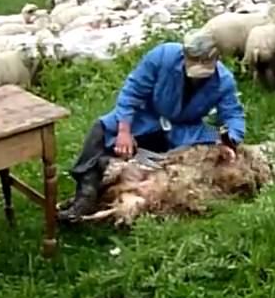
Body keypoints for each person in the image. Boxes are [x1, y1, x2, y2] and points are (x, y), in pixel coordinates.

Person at [58, 29, 246, 223]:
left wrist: (230, 140)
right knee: (102, 128)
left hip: (184, 128)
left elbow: (233, 114)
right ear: (184, 56)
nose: (199, 75)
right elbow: (132, 92)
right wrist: (124, 131)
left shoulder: (223, 81)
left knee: (211, 138)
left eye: (206, 65)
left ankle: (118, 173)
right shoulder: (163, 56)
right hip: (147, 116)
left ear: (216, 59)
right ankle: (85, 195)